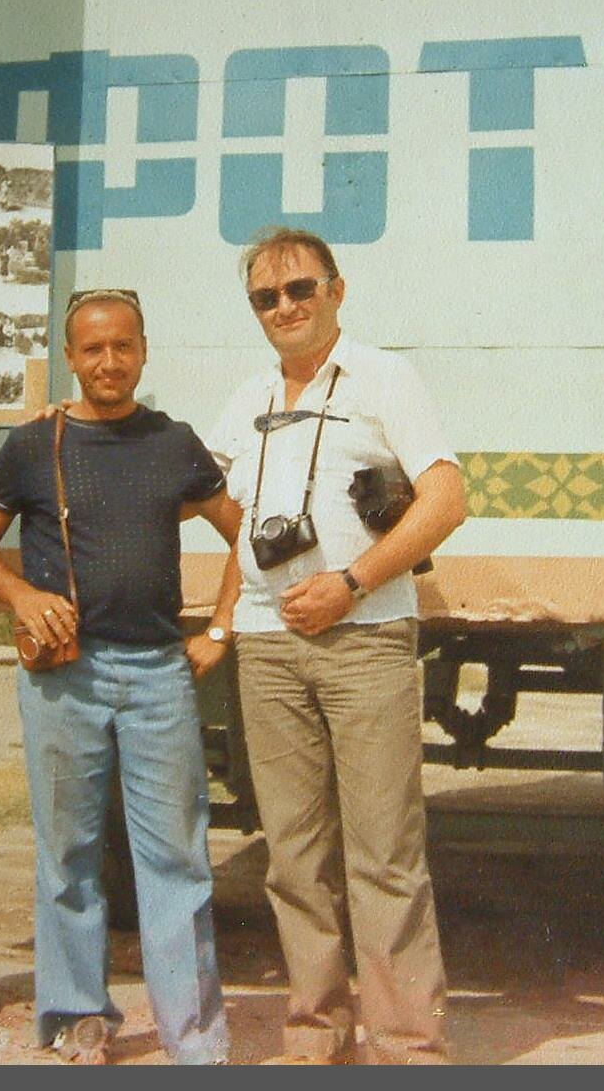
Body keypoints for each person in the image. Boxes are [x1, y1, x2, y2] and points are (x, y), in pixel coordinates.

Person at [0, 288, 238, 1066]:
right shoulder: (32, 445)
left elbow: (244, 532)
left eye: (122, 346)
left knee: (176, 857)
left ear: (142, 351)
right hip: (64, 677)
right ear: (71, 358)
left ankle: (195, 1038)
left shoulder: (173, 441)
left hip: (158, 674)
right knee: (68, 850)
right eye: (92, 348)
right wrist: (21, 594)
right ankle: (78, 1013)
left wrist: (219, 626)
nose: (109, 361)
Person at [206, 227, 467, 1064]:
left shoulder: (385, 378)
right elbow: (210, 501)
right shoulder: (247, 397)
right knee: (292, 855)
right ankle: (315, 1037)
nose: (284, 307)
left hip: (365, 638)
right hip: (268, 646)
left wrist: (351, 581)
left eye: (299, 289)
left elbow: (446, 499)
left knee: (383, 852)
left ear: (335, 290)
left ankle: (405, 1047)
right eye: (265, 297)